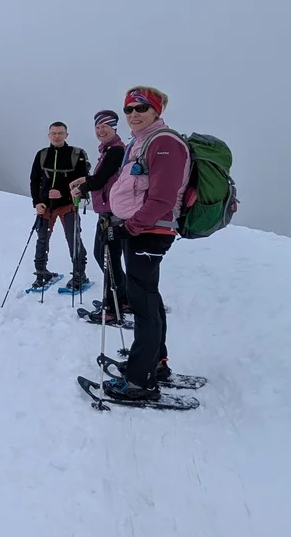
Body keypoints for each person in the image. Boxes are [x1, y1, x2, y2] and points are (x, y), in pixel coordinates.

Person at [100, 86, 192, 401]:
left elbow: (164, 197)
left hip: (149, 231)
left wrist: (132, 227)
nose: (134, 115)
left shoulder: (164, 142)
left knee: (142, 305)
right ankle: (156, 364)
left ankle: (142, 381)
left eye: (141, 108)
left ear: (156, 111)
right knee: (148, 298)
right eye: (129, 110)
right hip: (142, 230)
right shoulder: (141, 143)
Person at [69, 110, 128, 322]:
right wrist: (84, 180)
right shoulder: (111, 150)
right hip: (110, 211)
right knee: (108, 256)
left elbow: (101, 179)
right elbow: (104, 176)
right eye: (97, 127)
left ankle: (112, 309)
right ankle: (122, 299)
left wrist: (82, 187)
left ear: (114, 127)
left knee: (106, 257)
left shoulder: (115, 151)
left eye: (105, 126)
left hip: (112, 213)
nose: (100, 130)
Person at [28, 121, 91, 292]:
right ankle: (41, 272)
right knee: (42, 239)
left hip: (68, 204)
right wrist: (37, 202)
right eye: (54, 133)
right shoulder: (41, 155)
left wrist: (62, 193)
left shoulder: (76, 154)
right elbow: (35, 180)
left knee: (73, 239)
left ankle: (80, 274)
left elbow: (83, 179)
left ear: (66, 135)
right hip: (45, 206)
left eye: (60, 133)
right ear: (49, 135)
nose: (57, 136)